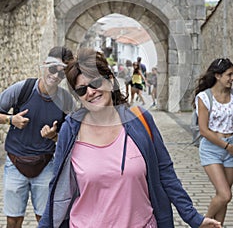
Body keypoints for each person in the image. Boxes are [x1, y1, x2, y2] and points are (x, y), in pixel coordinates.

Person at [39, 47, 222, 228]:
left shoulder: (140, 120)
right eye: (81, 90)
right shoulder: (70, 131)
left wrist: (193, 217)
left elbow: (166, 173)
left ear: (110, 81)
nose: (90, 92)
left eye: (95, 83)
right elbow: (58, 189)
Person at [0, 46, 77, 228]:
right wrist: (12, 119)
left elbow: (73, 136)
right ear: (44, 66)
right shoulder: (23, 89)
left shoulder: (66, 101)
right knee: (13, 219)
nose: (56, 76)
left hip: (45, 164)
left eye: (62, 73)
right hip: (15, 162)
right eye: (53, 69)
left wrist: (55, 137)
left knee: (45, 220)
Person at [192, 57, 233, 225]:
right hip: (212, 148)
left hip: (231, 147)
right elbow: (203, 130)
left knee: (223, 197)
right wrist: (226, 146)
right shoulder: (205, 97)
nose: (232, 78)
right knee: (225, 194)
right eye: (229, 75)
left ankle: (218, 226)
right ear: (217, 76)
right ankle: (202, 223)